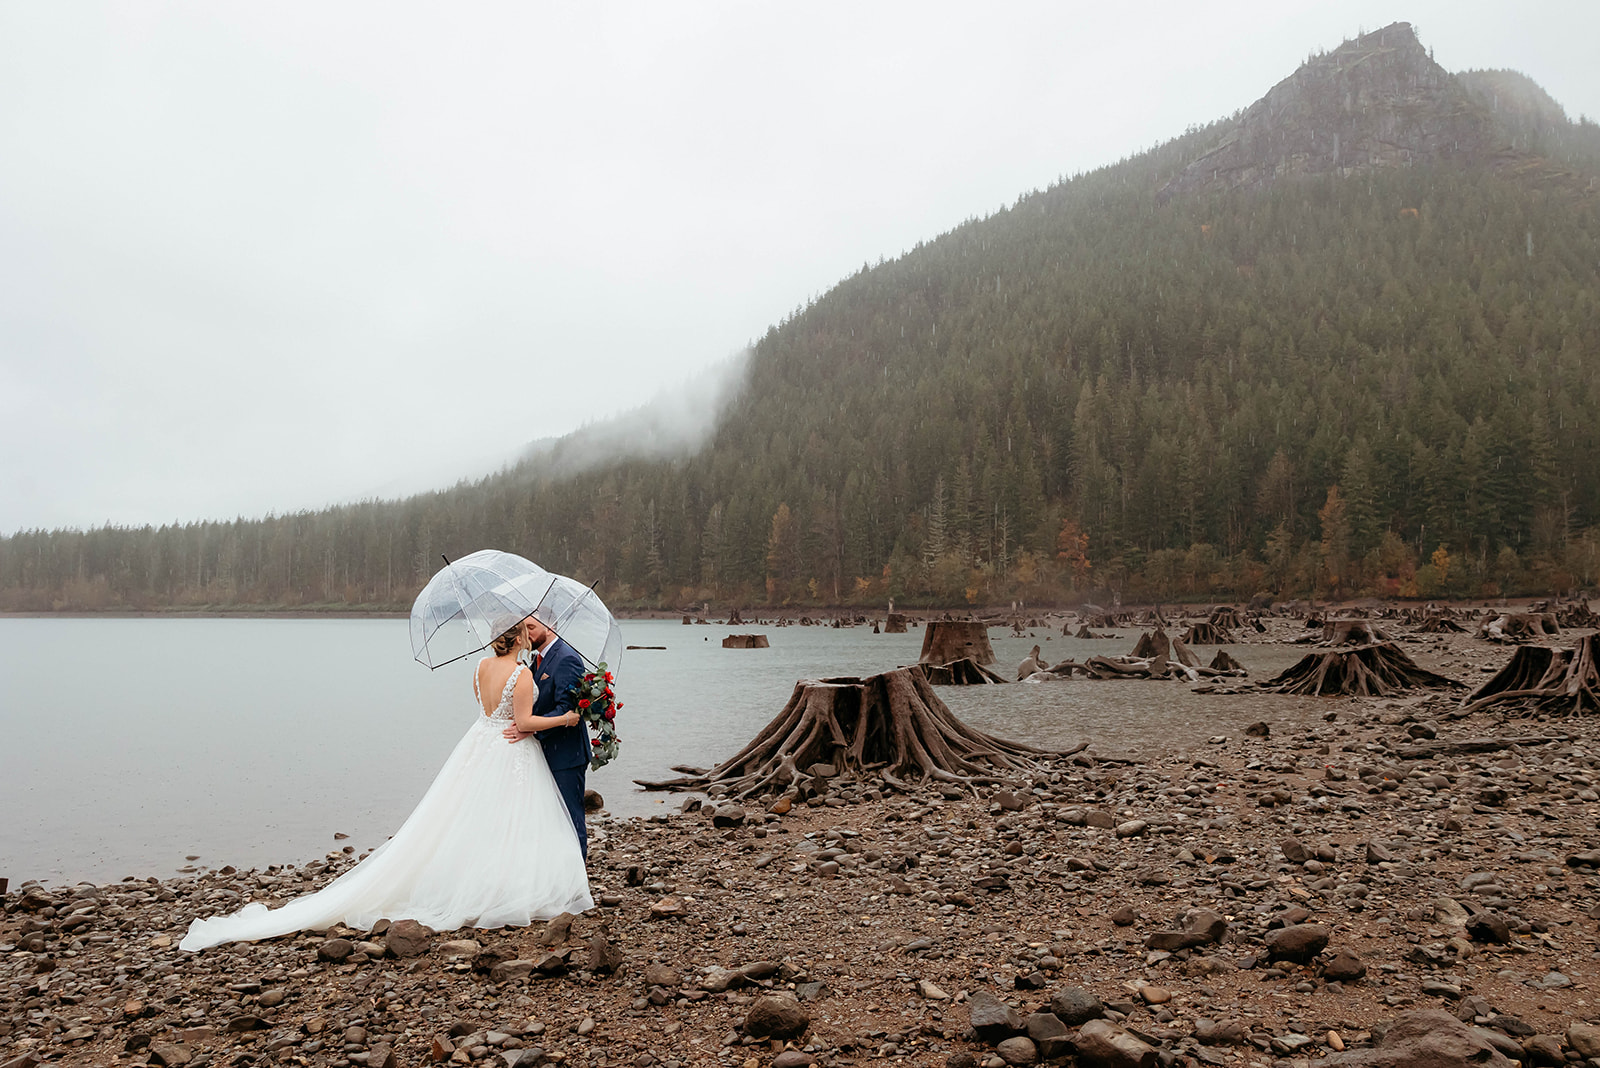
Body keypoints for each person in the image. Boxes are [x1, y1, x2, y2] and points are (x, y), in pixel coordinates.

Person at [179, 618, 592, 952]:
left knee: (469, 817)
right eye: (525, 630)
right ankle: (506, 886)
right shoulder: (520, 674)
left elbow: (489, 712)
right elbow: (522, 724)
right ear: (518, 638)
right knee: (511, 818)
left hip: (478, 744)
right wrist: (567, 719)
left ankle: (484, 880)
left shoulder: (481, 668)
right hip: (508, 749)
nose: (530, 633)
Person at [502, 614, 592, 858]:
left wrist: (529, 727)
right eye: (524, 627)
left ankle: (578, 882)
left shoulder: (566, 658)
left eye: (531, 627)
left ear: (551, 626)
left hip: (566, 753)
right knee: (548, 818)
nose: (526, 632)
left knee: (570, 818)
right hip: (543, 750)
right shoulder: (536, 658)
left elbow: (567, 709)